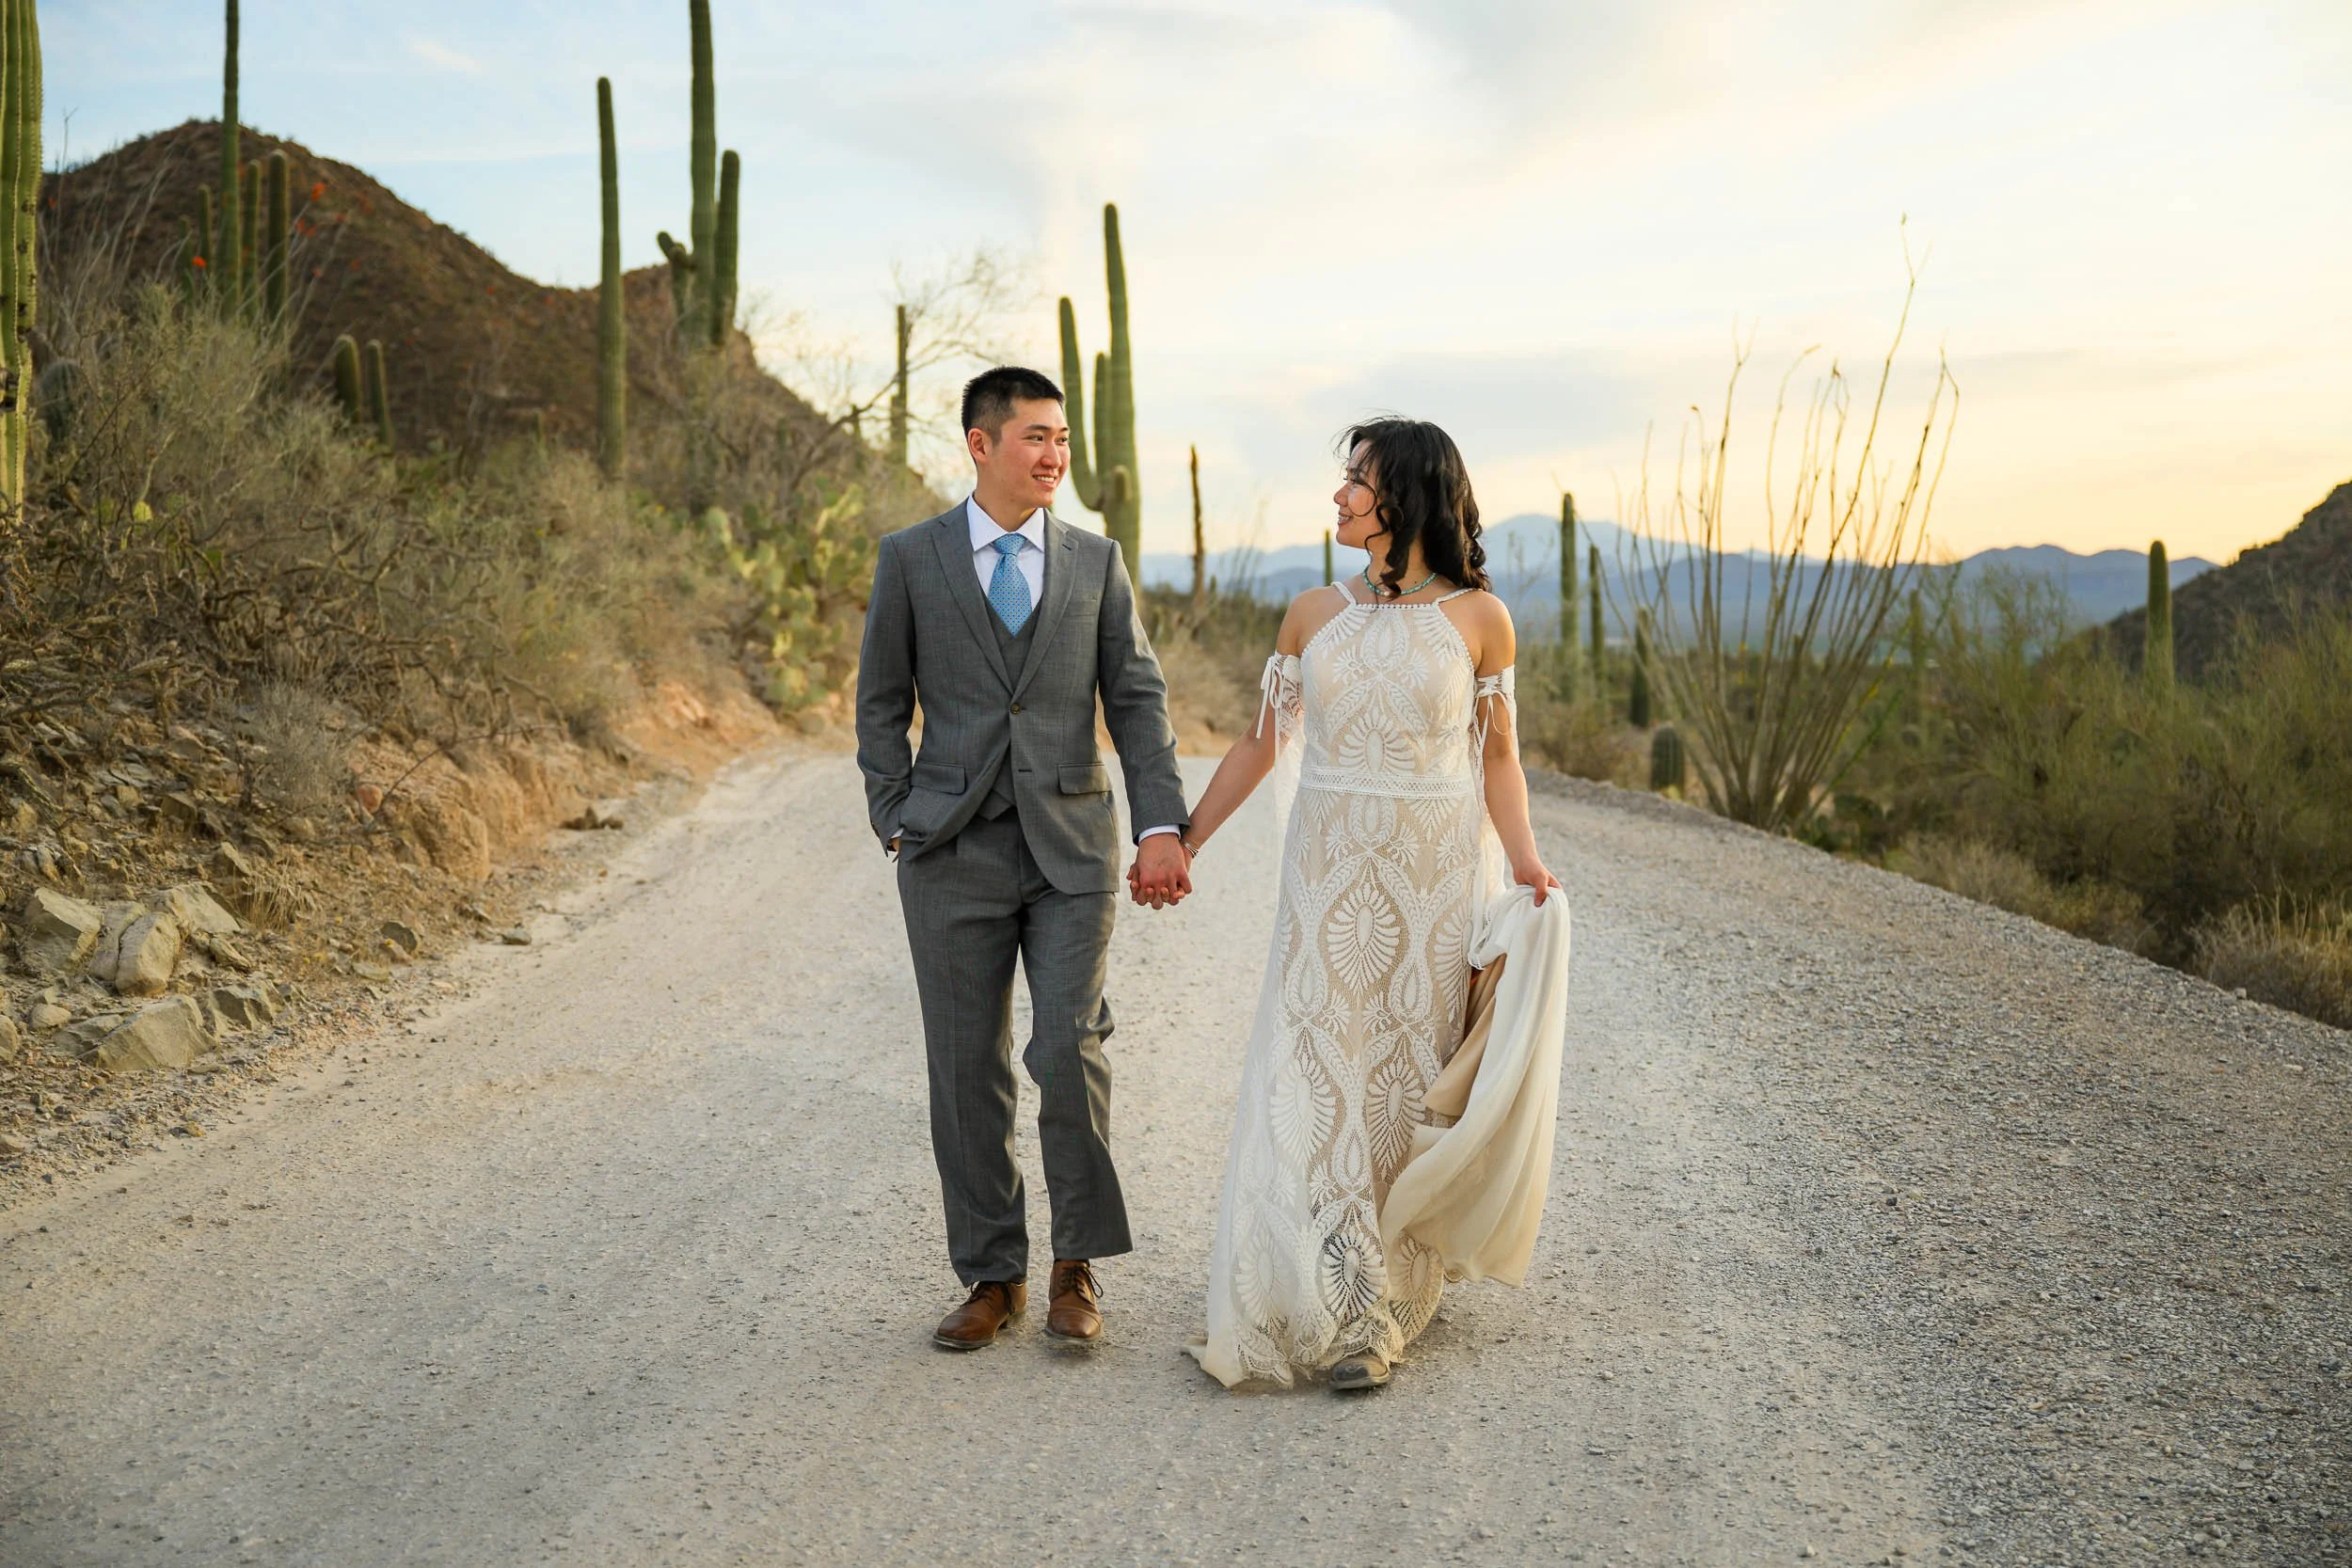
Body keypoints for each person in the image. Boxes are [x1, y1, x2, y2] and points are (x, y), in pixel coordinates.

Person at [1168, 417, 1569, 1392]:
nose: (1341, 495)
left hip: (1430, 876)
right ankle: (1317, 1280)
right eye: (1344, 479)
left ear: (1411, 493)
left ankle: (1375, 1308)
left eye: (1358, 480)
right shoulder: (1311, 613)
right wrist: (1183, 838)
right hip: (1325, 874)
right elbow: (1261, 745)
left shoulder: (1480, 618)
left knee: (1396, 1077)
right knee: (1315, 1071)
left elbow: (1498, 756)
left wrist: (1524, 863)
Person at [855, 366, 1193, 1354]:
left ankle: (1074, 1265)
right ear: (979, 442)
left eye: (1062, 441)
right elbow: (879, 701)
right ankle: (991, 1273)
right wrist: (892, 809)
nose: (1053, 456)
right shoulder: (911, 557)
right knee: (965, 1067)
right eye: (1035, 437)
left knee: (1066, 1049)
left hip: (1072, 847)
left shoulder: (1095, 558)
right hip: (948, 843)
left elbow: (1136, 699)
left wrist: (1158, 823)